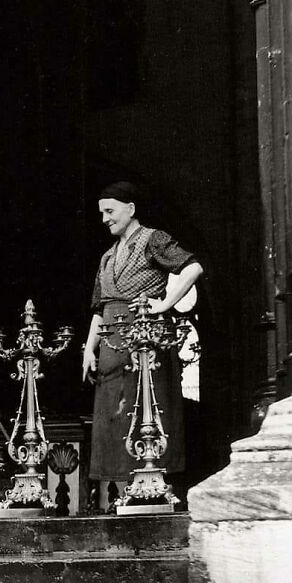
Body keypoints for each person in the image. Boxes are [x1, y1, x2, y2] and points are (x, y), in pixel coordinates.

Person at [82, 182, 203, 492]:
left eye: (110, 211)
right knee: (114, 415)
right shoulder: (107, 256)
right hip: (112, 342)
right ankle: (125, 492)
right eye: (102, 213)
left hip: (145, 339)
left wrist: (164, 304)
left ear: (130, 209)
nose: (105, 219)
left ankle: (154, 487)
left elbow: (193, 268)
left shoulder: (153, 239)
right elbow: (100, 306)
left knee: (147, 408)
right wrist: (89, 348)